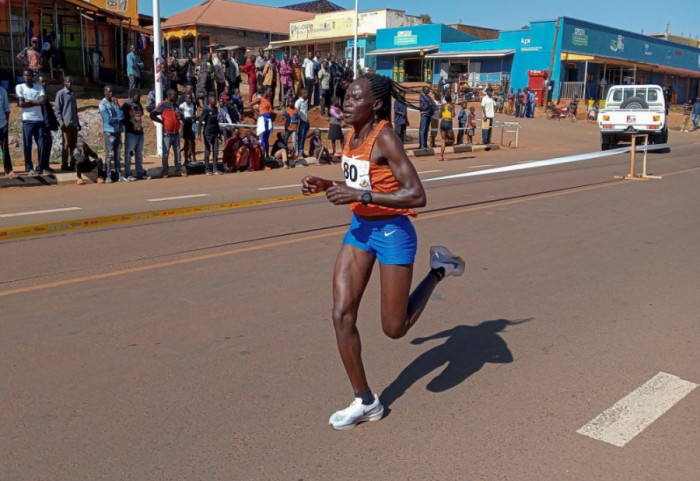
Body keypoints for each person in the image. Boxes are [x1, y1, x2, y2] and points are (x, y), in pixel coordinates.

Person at [300, 73, 465, 430]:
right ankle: (365, 400)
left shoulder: (385, 137)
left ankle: (439, 269)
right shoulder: (351, 135)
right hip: (360, 229)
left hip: (393, 233)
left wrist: (360, 196)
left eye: (354, 98)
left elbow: (417, 195)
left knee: (395, 328)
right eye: (345, 96)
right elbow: (363, 184)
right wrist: (328, 185)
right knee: (341, 315)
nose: (346, 102)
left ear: (374, 105)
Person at [16, 69, 46, 175]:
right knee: (27, 144)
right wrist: (36, 103)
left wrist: (30, 101)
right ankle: (29, 168)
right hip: (27, 120)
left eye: (28, 75)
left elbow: (43, 101)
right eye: (25, 76)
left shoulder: (39, 87)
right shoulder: (20, 87)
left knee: (41, 144)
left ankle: (42, 167)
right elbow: (21, 104)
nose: (26, 77)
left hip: (39, 120)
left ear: (32, 76)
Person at [150, 88, 186, 178]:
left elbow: (181, 117)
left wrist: (180, 116)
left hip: (176, 132)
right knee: (166, 153)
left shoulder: (176, 105)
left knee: (177, 152)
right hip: (167, 133)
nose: (177, 97)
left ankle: (178, 169)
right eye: (175, 95)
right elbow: (153, 113)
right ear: (169, 96)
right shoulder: (163, 105)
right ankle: (165, 171)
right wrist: (161, 121)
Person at [99, 85, 125, 182]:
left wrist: (117, 104)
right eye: (109, 92)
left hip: (118, 131)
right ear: (105, 92)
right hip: (109, 132)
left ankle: (119, 175)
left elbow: (122, 115)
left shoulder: (114, 102)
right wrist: (118, 119)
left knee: (118, 155)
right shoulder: (102, 104)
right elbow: (107, 119)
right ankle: (108, 175)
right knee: (109, 155)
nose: (111, 93)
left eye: (112, 91)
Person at [54, 76, 81, 171]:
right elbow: (57, 110)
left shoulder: (73, 94)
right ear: (64, 83)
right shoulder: (60, 94)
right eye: (68, 82)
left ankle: (72, 163)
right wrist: (61, 123)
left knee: (74, 146)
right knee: (66, 144)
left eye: (71, 82)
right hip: (66, 124)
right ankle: (64, 165)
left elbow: (75, 110)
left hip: (74, 123)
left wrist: (78, 123)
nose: (69, 83)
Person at [122, 89, 148, 180]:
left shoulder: (139, 105)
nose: (139, 97)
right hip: (131, 133)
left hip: (140, 132)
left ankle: (140, 173)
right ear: (132, 95)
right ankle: (128, 174)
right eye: (138, 95)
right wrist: (130, 126)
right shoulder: (126, 106)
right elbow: (123, 119)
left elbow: (141, 115)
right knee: (129, 154)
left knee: (139, 154)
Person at [36, 75, 58, 173]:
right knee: (43, 146)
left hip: (47, 126)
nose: (44, 84)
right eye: (42, 82)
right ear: (37, 83)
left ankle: (46, 165)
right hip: (41, 125)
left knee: (48, 144)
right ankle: (42, 166)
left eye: (45, 82)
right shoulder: (38, 95)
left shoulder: (44, 95)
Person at [197, 93, 223, 175]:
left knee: (216, 151)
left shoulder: (215, 109)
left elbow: (216, 122)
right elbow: (200, 122)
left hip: (215, 132)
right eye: (214, 100)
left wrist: (219, 132)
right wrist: (199, 133)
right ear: (210, 101)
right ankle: (207, 169)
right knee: (208, 150)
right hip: (207, 132)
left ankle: (215, 169)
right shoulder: (206, 110)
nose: (215, 101)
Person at [250, 86, 273, 157]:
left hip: (269, 120)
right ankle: (262, 156)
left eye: (271, 91)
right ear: (265, 91)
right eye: (270, 91)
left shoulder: (268, 99)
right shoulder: (260, 99)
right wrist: (257, 113)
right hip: (263, 119)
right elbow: (250, 105)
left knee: (266, 138)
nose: (271, 93)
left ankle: (267, 155)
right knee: (262, 138)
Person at [0, 83, 15, 178]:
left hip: (2, 124)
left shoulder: (2, 90)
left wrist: (6, 123)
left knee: (5, 148)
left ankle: (8, 170)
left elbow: (6, 109)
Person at [179, 92, 198, 164]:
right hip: (185, 124)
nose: (189, 99)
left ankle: (194, 157)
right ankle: (186, 158)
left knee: (193, 142)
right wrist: (188, 118)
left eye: (190, 98)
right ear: (185, 98)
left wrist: (194, 117)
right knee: (186, 142)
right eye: (188, 98)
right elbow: (181, 116)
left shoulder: (192, 105)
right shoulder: (182, 105)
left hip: (191, 124)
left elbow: (193, 113)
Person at [438, 93, 454, 161]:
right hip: (448, 123)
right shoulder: (451, 106)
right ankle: (447, 143)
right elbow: (453, 115)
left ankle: (441, 156)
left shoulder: (442, 106)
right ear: (450, 99)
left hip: (443, 122)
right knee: (452, 139)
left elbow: (439, 116)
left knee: (443, 140)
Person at [295, 88, 310, 158]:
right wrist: (299, 120)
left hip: (306, 121)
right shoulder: (298, 102)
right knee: (300, 138)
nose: (308, 94)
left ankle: (302, 151)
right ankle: (299, 153)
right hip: (301, 122)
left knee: (304, 138)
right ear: (303, 94)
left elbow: (305, 112)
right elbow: (296, 112)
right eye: (306, 93)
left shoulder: (306, 101)